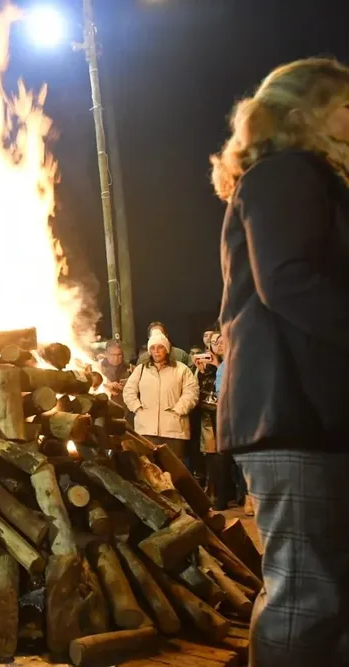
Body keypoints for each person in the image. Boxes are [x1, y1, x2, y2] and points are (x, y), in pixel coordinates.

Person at [211, 57, 349, 666]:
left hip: (306, 411)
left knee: (324, 596)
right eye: (345, 106)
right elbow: (289, 282)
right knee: (307, 599)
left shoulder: (307, 177)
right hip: (291, 409)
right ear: (304, 116)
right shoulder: (287, 173)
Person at [121, 329, 199, 460]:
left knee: (174, 471)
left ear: (167, 349)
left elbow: (191, 392)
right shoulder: (140, 370)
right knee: (150, 470)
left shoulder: (181, 369)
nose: (156, 351)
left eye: (160, 347)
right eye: (153, 348)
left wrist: (179, 410)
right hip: (146, 430)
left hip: (174, 430)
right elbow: (129, 391)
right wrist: (138, 408)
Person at [98, 340, 131, 409]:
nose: (116, 358)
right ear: (106, 354)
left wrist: (127, 386)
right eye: (112, 355)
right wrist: (107, 385)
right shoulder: (98, 367)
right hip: (102, 407)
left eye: (119, 355)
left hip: (124, 408)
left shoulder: (130, 368)